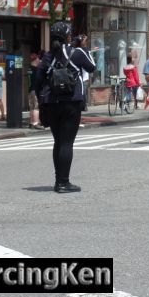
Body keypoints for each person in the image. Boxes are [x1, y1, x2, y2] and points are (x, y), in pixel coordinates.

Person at [34, 21, 96, 193]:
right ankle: (63, 183)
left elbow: (38, 81)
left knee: (58, 141)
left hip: (52, 102)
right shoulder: (77, 52)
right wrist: (83, 47)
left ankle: (58, 180)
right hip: (71, 102)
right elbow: (92, 67)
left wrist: (41, 99)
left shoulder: (47, 56)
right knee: (67, 143)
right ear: (68, 36)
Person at [28, 52, 44, 129]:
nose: (40, 62)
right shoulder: (36, 69)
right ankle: (36, 123)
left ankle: (31, 123)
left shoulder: (30, 67)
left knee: (31, 106)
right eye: (39, 60)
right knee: (36, 107)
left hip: (30, 89)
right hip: (35, 89)